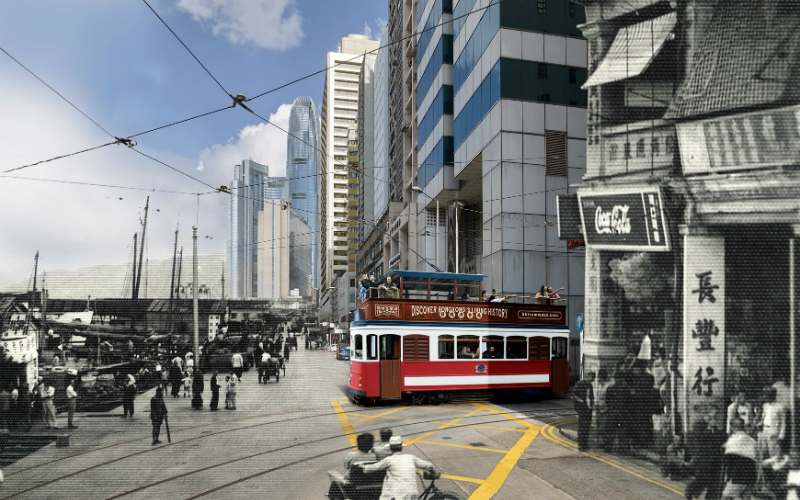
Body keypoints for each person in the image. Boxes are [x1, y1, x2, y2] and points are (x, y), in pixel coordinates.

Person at [361, 436, 436, 500]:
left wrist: (362, 466)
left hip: (399, 495)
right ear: (401, 447)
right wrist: (433, 474)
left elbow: (372, 468)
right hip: (413, 493)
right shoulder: (411, 457)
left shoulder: (389, 460)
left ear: (390, 448)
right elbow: (430, 466)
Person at [685, 420, 725, 500]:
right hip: (705, 462)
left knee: (714, 483)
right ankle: (690, 491)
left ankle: (710, 497)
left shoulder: (714, 434)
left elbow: (721, 439)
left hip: (715, 461)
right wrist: (712, 429)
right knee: (703, 479)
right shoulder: (698, 436)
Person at [721, 418, 756, 500]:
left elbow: (727, 460)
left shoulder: (732, 440)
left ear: (732, 427)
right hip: (751, 475)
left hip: (737, 475)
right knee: (742, 496)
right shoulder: (752, 441)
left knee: (725, 496)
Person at [571, 372, 595, 452]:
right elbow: (573, 395)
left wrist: (592, 405)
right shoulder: (580, 383)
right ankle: (581, 446)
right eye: (591, 379)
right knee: (582, 427)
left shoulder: (590, 385)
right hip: (582, 409)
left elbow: (591, 397)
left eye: (593, 379)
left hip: (589, 409)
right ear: (588, 376)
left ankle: (585, 444)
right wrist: (581, 401)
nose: (592, 381)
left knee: (587, 427)